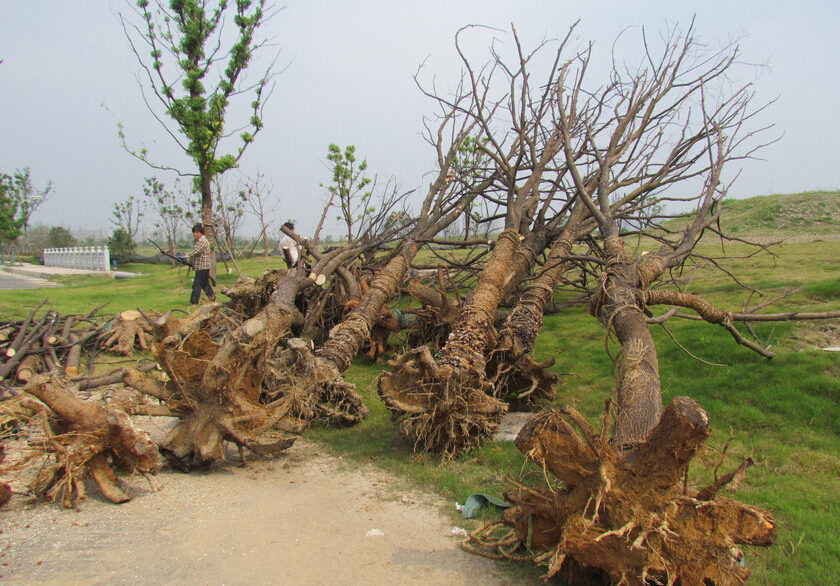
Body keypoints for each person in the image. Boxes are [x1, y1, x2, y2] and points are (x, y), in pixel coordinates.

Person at [183, 223, 215, 304]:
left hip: (202, 267)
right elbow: (196, 254)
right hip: (200, 267)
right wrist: (188, 260)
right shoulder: (198, 241)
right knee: (205, 284)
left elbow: (196, 252)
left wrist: (186, 256)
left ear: (201, 232)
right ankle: (212, 298)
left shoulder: (203, 241)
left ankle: (194, 302)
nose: (195, 234)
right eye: (194, 232)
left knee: (197, 285)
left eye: (197, 232)